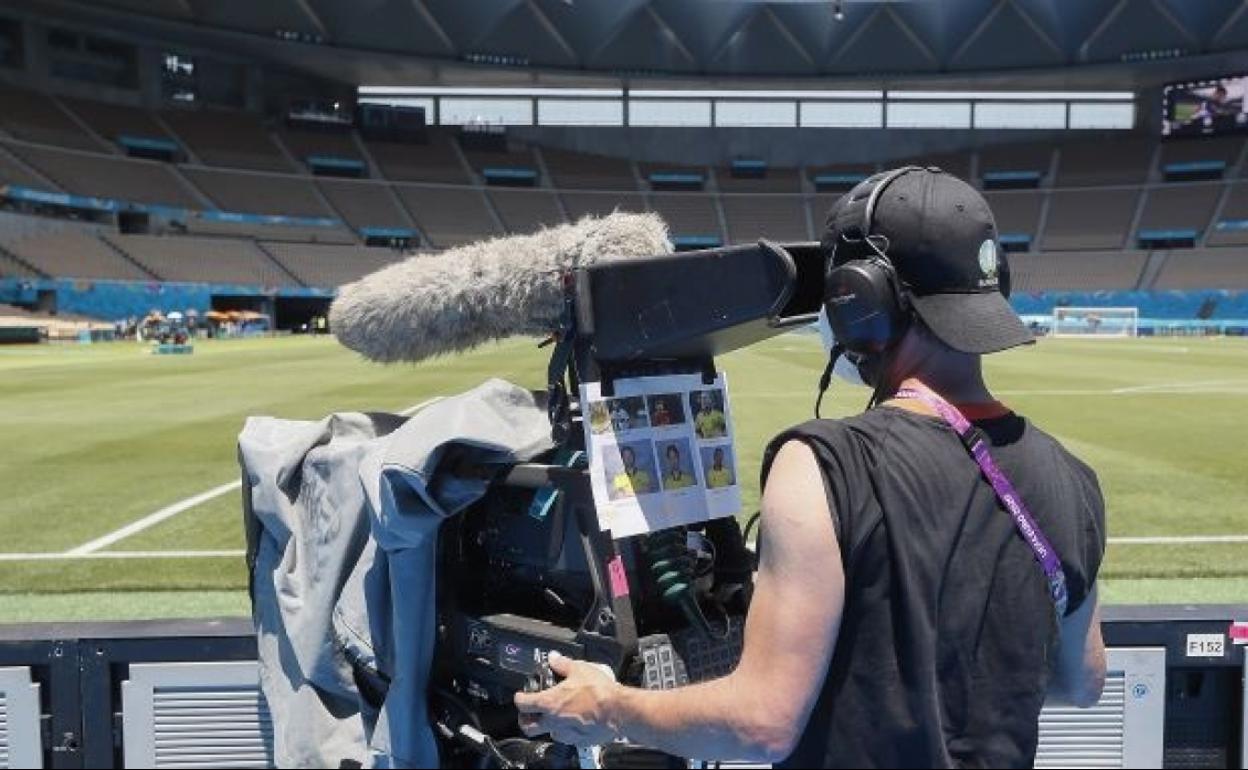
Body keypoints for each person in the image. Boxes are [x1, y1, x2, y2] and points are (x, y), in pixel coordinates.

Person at [514, 167, 1107, 767]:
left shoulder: (822, 465)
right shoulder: (1073, 480)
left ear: (863, 298)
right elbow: (1080, 681)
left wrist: (607, 705)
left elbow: (760, 724)